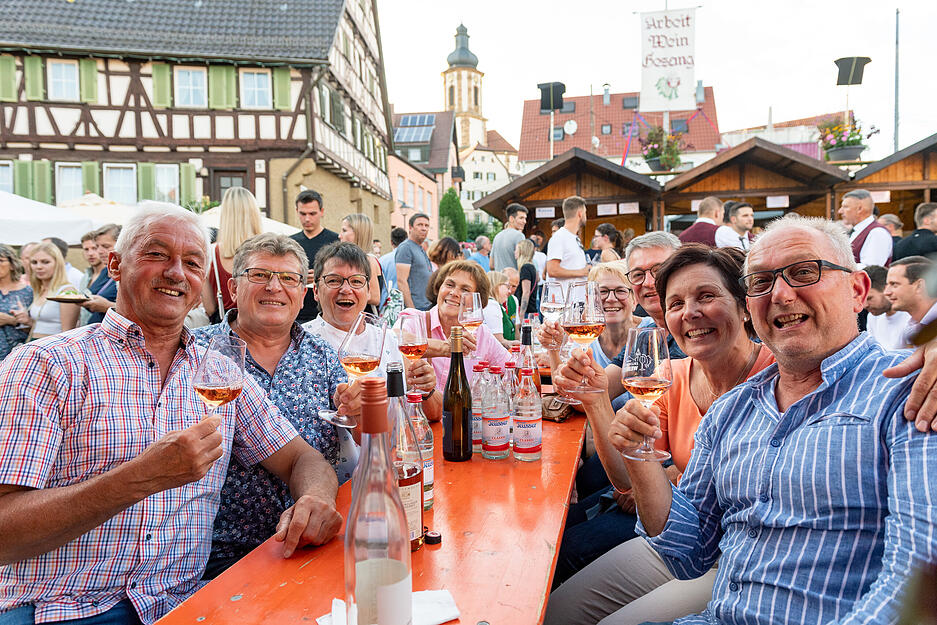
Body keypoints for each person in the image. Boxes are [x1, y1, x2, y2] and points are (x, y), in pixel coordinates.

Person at [0, 204, 343, 624]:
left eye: (193, 262)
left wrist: (315, 500)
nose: (176, 272)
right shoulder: (48, 364)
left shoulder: (218, 371)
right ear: (115, 265)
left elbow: (302, 458)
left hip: (187, 605)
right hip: (62, 609)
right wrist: (140, 477)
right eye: (157, 254)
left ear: (202, 285)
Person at [601, 215, 937, 625]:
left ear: (857, 290)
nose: (779, 293)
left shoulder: (910, 392)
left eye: (802, 272)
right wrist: (641, 455)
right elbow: (687, 555)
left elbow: (916, 581)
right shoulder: (732, 410)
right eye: (760, 282)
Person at [546, 245, 772, 622]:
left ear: (744, 305)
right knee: (556, 612)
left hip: (734, 557)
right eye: (677, 303)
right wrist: (596, 400)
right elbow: (623, 480)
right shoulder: (672, 374)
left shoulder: (779, 376)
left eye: (706, 296)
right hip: (677, 540)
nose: (691, 313)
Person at [193, 233, 357, 578]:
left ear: (301, 296)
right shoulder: (197, 352)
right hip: (221, 554)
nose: (274, 287)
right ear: (233, 289)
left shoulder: (322, 355)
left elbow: (356, 426)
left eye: (288, 278)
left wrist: (362, 411)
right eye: (259, 275)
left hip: (317, 538)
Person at [304, 241, 441, 422]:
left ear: (368, 291)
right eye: (334, 280)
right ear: (315, 291)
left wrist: (427, 389)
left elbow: (435, 414)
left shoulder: (387, 339)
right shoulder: (299, 341)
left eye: (356, 281)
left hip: (388, 448)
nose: (346, 289)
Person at [401, 260, 509, 392]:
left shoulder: (480, 334)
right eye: (449, 284)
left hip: (463, 412)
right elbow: (396, 339)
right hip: (418, 412)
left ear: (476, 302)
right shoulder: (416, 319)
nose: (454, 293)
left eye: (465, 289)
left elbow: (511, 369)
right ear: (439, 287)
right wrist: (445, 348)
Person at [202, 187, 264, 321]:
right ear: (254, 214)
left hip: (224, 331)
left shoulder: (211, 253)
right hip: (259, 326)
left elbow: (210, 308)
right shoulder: (265, 252)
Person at [291, 190, 339, 323]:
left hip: (327, 314)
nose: (307, 219)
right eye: (302, 214)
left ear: (321, 212)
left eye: (312, 214)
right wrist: (298, 278)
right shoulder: (290, 244)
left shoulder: (335, 242)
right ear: (297, 212)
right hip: (296, 314)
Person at [20, 242, 80, 339]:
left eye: (45, 262)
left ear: (57, 263)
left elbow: (68, 334)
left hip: (53, 349)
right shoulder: (39, 289)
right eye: (34, 262)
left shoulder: (67, 291)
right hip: (33, 344)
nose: (39, 267)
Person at [884, 255, 937, 347]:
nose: (886, 292)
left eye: (894, 284)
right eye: (887, 285)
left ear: (919, 286)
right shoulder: (910, 326)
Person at [338, 213, 384, 314]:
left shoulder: (368, 260)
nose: (339, 235)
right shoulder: (355, 259)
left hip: (365, 321)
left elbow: (375, 297)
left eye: (344, 230)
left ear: (359, 233)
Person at [838, 188, 892, 268]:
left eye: (845, 207)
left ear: (860, 209)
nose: (840, 211)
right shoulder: (855, 231)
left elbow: (871, 269)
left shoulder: (877, 233)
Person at [546, 196, 590, 292]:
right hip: (564, 301)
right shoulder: (559, 237)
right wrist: (582, 272)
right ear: (580, 213)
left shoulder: (574, 238)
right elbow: (552, 270)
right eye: (585, 212)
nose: (586, 216)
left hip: (576, 300)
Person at [864, 264, 911, 350]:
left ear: (886, 290)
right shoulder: (872, 317)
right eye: (862, 299)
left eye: (869, 298)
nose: (865, 305)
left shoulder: (911, 318)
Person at [395, 213, 434, 311]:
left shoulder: (420, 248)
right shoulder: (406, 248)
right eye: (420, 225)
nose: (424, 228)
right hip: (417, 307)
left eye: (426, 225)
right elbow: (401, 281)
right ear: (410, 227)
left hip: (426, 305)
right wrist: (412, 310)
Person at [0, 245, 32, 361]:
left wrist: (12, 321)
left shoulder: (27, 292)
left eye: (1, 260)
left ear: (12, 265)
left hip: (18, 355)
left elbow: (36, 326)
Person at [484, 270, 517, 348]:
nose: (509, 291)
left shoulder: (492, 304)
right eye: (507, 286)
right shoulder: (492, 305)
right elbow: (498, 342)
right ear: (496, 285)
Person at [491, 203, 528, 271]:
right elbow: (523, 264)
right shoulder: (519, 235)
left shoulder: (497, 236)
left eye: (525, 218)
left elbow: (491, 265)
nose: (524, 221)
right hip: (514, 279)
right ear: (511, 218)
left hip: (499, 279)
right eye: (521, 218)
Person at [77, 232, 103, 326]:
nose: (90, 253)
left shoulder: (110, 277)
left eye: (94, 248)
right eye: (86, 249)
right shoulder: (85, 276)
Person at [514, 239, 539, 318]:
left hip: (526, 313)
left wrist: (521, 314)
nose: (515, 252)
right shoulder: (531, 266)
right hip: (531, 310)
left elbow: (526, 292)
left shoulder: (525, 267)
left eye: (516, 249)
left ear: (522, 251)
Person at [379, 227, 407, 293]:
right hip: (406, 300)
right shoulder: (411, 260)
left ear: (391, 242)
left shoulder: (382, 260)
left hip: (386, 300)